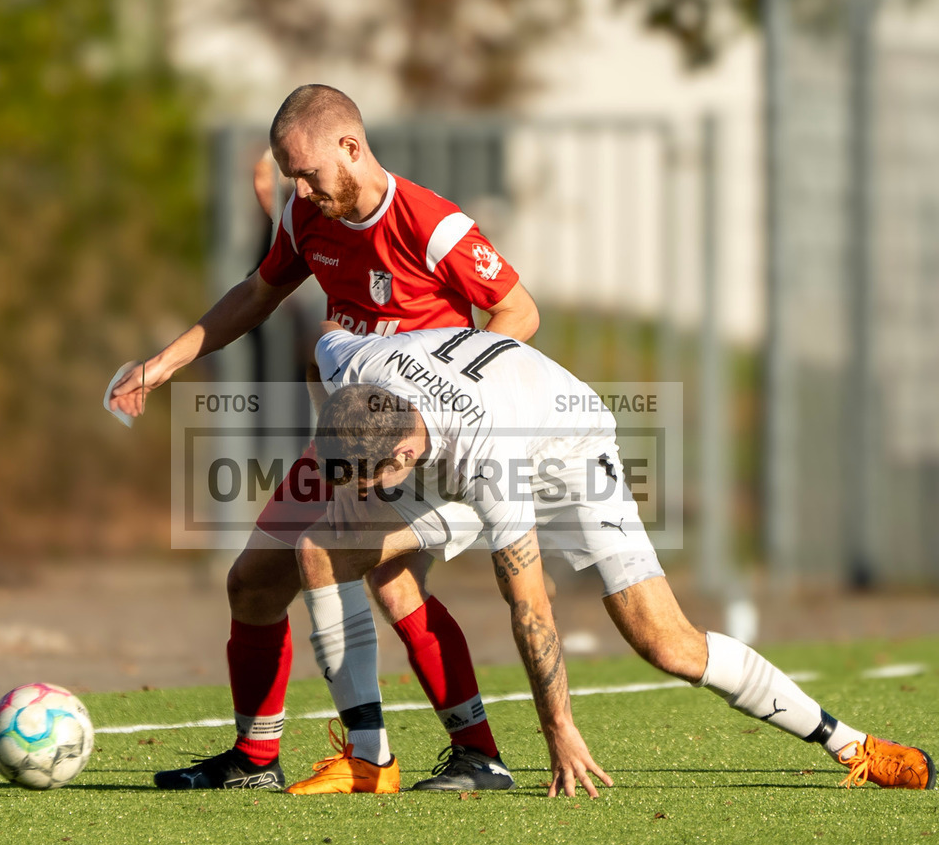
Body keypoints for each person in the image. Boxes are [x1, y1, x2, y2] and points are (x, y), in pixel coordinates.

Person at [284, 322, 936, 796]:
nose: (356, 493)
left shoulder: (486, 454)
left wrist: (559, 730)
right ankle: (371, 758)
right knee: (320, 547)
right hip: (458, 444)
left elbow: (531, 604)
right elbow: (325, 337)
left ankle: (853, 745)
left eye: (363, 481)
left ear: (398, 458)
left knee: (665, 642)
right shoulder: (360, 367)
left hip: (568, 455)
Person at [107, 84, 540, 792]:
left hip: (413, 449)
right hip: (342, 443)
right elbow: (255, 295)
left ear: (351, 146)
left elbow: (518, 312)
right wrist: (165, 363)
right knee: (251, 583)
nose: (300, 189)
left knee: (389, 580)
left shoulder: (431, 224)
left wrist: (440, 396)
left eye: (307, 172)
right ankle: (255, 762)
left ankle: (431, 758)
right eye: (290, 177)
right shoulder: (308, 218)